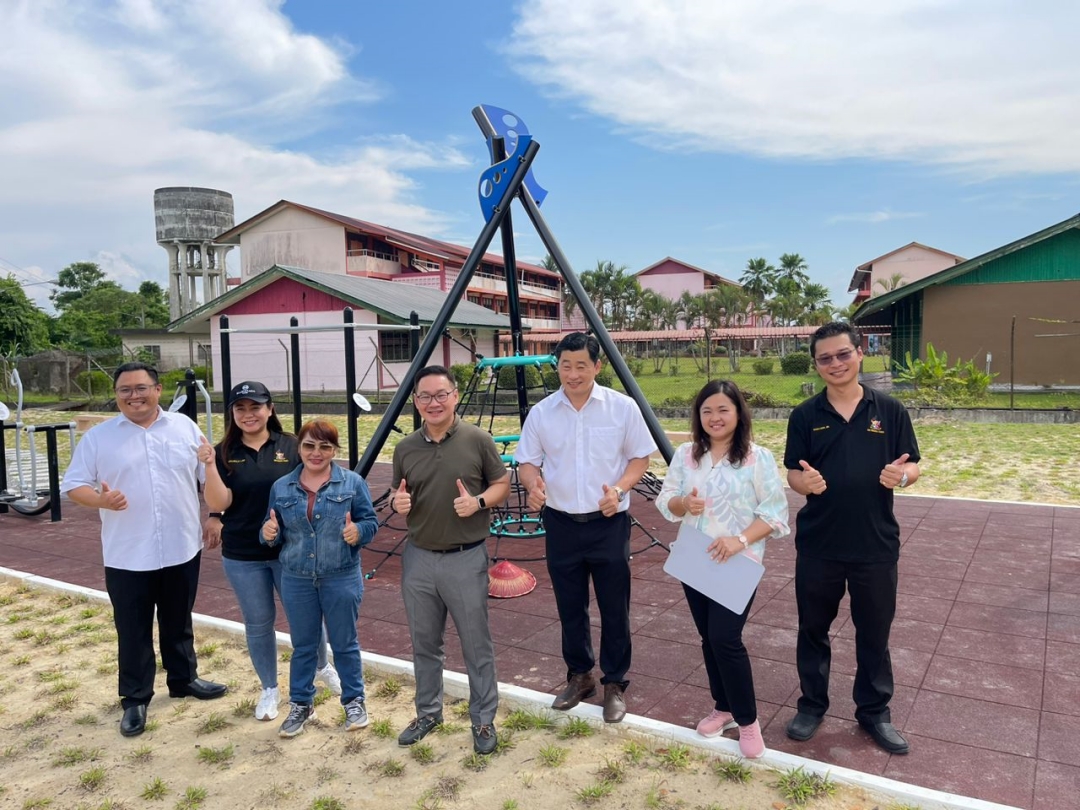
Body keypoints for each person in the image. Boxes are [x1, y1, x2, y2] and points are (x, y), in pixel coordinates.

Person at [62, 362, 227, 738]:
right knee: (133, 627)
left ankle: (184, 679)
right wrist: (100, 500)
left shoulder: (184, 428)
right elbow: (74, 486)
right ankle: (135, 698)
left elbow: (207, 478)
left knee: (178, 619)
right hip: (128, 552)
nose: (133, 396)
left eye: (141, 388)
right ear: (117, 395)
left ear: (158, 389)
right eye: (124, 390)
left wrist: (215, 514)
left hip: (181, 545)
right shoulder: (100, 438)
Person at [784, 321, 920, 755]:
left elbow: (913, 464)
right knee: (813, 630)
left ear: (860, 353)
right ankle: (812, 704)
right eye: (825, 358)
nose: (835, 364)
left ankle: (875, 711)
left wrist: (904, 475)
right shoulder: (805, 416)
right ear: (816, 364)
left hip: (875, 545)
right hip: (819, 545)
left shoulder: (890, 411)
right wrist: (802, 484)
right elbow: (792, 471)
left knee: (874, 633)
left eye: (843, 354)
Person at [515, 332, 657, 723]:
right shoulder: (542, 413)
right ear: (556, 366)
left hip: (608, 521)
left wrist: (621, 488)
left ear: (598, 366)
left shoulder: (621, 408)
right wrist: (532, 484)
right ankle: (580, 676)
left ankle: (615, 682)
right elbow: (527, 461)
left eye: (581, 365)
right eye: (565, 365)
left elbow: (639, 459)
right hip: (560, 522)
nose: (573, 374)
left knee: (615, 605)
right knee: (569, 605)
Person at [655, 380, 789, 758]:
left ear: (738, 413)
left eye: (723, 410)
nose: (715, 417)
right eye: (707, 411)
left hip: (737, 562)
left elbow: (775, 514)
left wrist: (740, 540)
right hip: (695, 558)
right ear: (698, 417)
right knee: (708, 639)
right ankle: (723, 707)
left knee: (726, 639)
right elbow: (666, 502)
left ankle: (747, 722)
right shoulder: (686, 454)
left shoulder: (756, 458)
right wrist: (685, 504)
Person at [199, 381, 340, 723]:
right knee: (259, 622)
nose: (249, 414)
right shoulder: (222, 451)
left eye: (256, 407)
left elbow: (319, 480)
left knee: (306, 618)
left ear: (270, 409)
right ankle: (269, 688)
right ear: (232, 413)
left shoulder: (292, 446)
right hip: (243, 553)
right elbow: (220, 502)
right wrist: (208, 468)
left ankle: (322, 666)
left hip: (290, 551)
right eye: (241, 408)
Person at [391, 365, 510, 755]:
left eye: (441, 394)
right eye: (424, 396)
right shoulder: (406, 447)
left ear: (455, 396)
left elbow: (502, 484)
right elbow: (399, 491)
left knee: (476, 644)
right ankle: (428, 712)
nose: (433, 403)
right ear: (415, 401)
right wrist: (397, 502)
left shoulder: (478, 439)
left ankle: (483, 719)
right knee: (424, 642)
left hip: (465, 557)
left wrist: (477, 502)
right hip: (419, 557)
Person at [261, 420, 378, 738]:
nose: (316, 452)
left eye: (325, 446)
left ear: (334, 450)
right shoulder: (282, 487)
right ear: (299, 448)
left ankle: (354, 701)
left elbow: (370, 522)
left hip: (341, 576)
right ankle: (301, 704)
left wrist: (358, 532)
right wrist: (268, 533)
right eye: (309, 445)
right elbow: (271, 529)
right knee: (303, 646)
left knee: (345, 643)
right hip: (297, 578)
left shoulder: (352, 483)